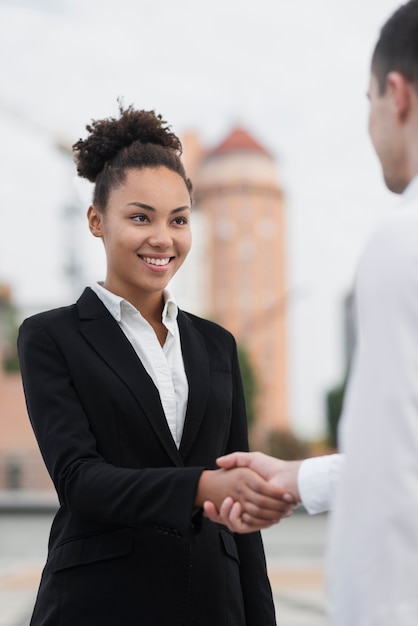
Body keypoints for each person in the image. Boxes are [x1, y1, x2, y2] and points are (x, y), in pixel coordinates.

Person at [17, 105, 295, 626]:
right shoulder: (49, 336)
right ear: (97, 220)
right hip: (100, 604)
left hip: (215, 605)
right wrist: (198, 487)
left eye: (179, 219)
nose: (163, 237)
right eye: (140, 216)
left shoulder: (217, 345)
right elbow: (80, 479)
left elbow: (241, 515)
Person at [205, 1, 418, 623]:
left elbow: (394, 474)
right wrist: (299, 479)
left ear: (397, 95)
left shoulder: (402, 245)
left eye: (368, 98)